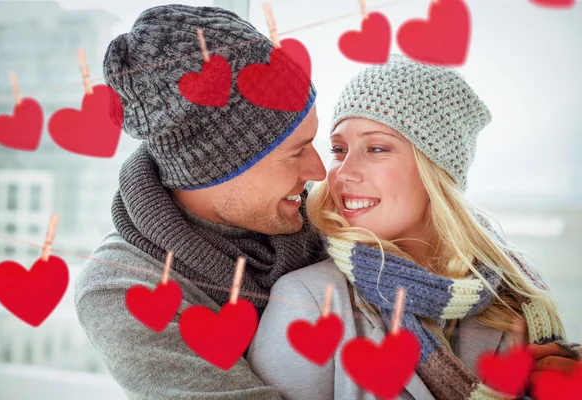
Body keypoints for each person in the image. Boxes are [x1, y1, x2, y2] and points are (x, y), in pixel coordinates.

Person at [247, 54, 581, 400]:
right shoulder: (309, 301)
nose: (343, 172)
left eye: (376, 148)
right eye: (339, 149)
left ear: (436, 170)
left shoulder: (516, 295)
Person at [74, 5, 328, 400]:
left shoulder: (329, 220)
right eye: (296, 152)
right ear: (217, 168)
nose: (319, 171)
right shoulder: (127, 288)